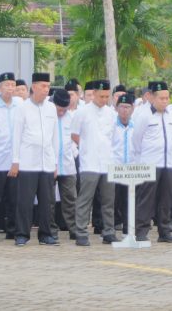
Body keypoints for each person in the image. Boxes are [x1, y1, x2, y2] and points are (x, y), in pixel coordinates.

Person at [11, 73, 58, 246]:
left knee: (47, 201)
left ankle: (45, 234)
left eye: (48, 86)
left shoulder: (51, 108)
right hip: (27, 162)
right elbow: (16, 136)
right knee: (25, 201)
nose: (47, 89)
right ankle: (22, 234)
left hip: (46, 162)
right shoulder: (22, 108)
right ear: (34, 86)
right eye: (43, 86)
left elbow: (55, 137)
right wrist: (15, 161)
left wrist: (55, 163)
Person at [131, 81, 172, 243]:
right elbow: (136, 140)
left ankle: (164, 231)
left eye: (167, 98)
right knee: (146, 199)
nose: (165, 101)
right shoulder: (144, 115)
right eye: (161, 98)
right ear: (153, 98)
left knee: (166, 199)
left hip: (169, 163)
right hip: (149, 163)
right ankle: (141, 231)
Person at [72, 80, 116, 246]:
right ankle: (81, 232)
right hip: (89, 162)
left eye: (107, 96)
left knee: (108, 200)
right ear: (94, 94)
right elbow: (74, 135)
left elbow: (114, 137)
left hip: (107, 162)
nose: (104, 99)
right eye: (101, 96)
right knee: (85, 199)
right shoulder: (82, 112)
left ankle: (109, 232)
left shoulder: (111, 113)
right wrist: (86, 148)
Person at [0, 71, 19, 239]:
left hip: (14, 160)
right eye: (7, 85)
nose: (10, 88)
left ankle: (12, 230)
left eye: (13, 85)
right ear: (0, 87)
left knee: (14, 197)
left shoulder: (20, 105)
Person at [50, 88, 77, 239]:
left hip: (67, 165)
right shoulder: (47, 116)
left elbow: (76, 138)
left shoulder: (72, 117)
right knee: (49, 201)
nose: (61, 113)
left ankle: (74, 229)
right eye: (59, 110)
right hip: (49, 165)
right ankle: (51, 231)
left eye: (64, 110)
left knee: (70, 199)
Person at [110, 90, 134, 234]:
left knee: (128, 200)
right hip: (115, 166)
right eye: (122, 107)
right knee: (112, 199)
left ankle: (128, 228)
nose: (124, 110)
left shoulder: (136, 126)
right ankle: (110, 227)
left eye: (127, 107)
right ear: (116, 108)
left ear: (132, 109)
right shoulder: (111, 126)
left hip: (130, 168)